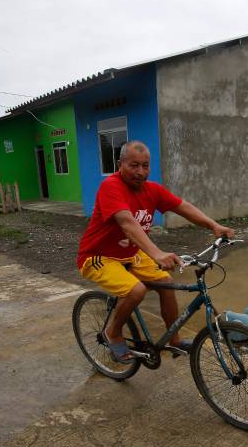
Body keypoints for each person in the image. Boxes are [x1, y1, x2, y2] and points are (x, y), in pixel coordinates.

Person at [77, 140, 234, 363]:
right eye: (134, 165)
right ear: (120, 164)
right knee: (136, 291)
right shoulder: (110, 186)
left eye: (145, 166)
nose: (141, 172)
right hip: (99, 256)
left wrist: (214, 226)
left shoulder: (152, 190)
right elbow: (127, 223)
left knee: (167, 283)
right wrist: (157, 253)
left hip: (131, 255)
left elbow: (182, 207)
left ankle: (175, 340)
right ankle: (112, 332)